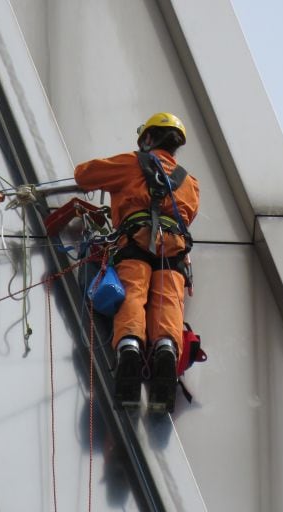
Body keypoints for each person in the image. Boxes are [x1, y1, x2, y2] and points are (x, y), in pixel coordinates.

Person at [74, 113, 199, 412]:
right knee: (168, 302)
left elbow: (84, 175)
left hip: (136, 239)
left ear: (147, 139)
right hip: (174, 249)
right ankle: (165, 351)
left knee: (133, 290)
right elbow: (189, 215)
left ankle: (129, 347)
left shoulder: (132, 163)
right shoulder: (190, 183)